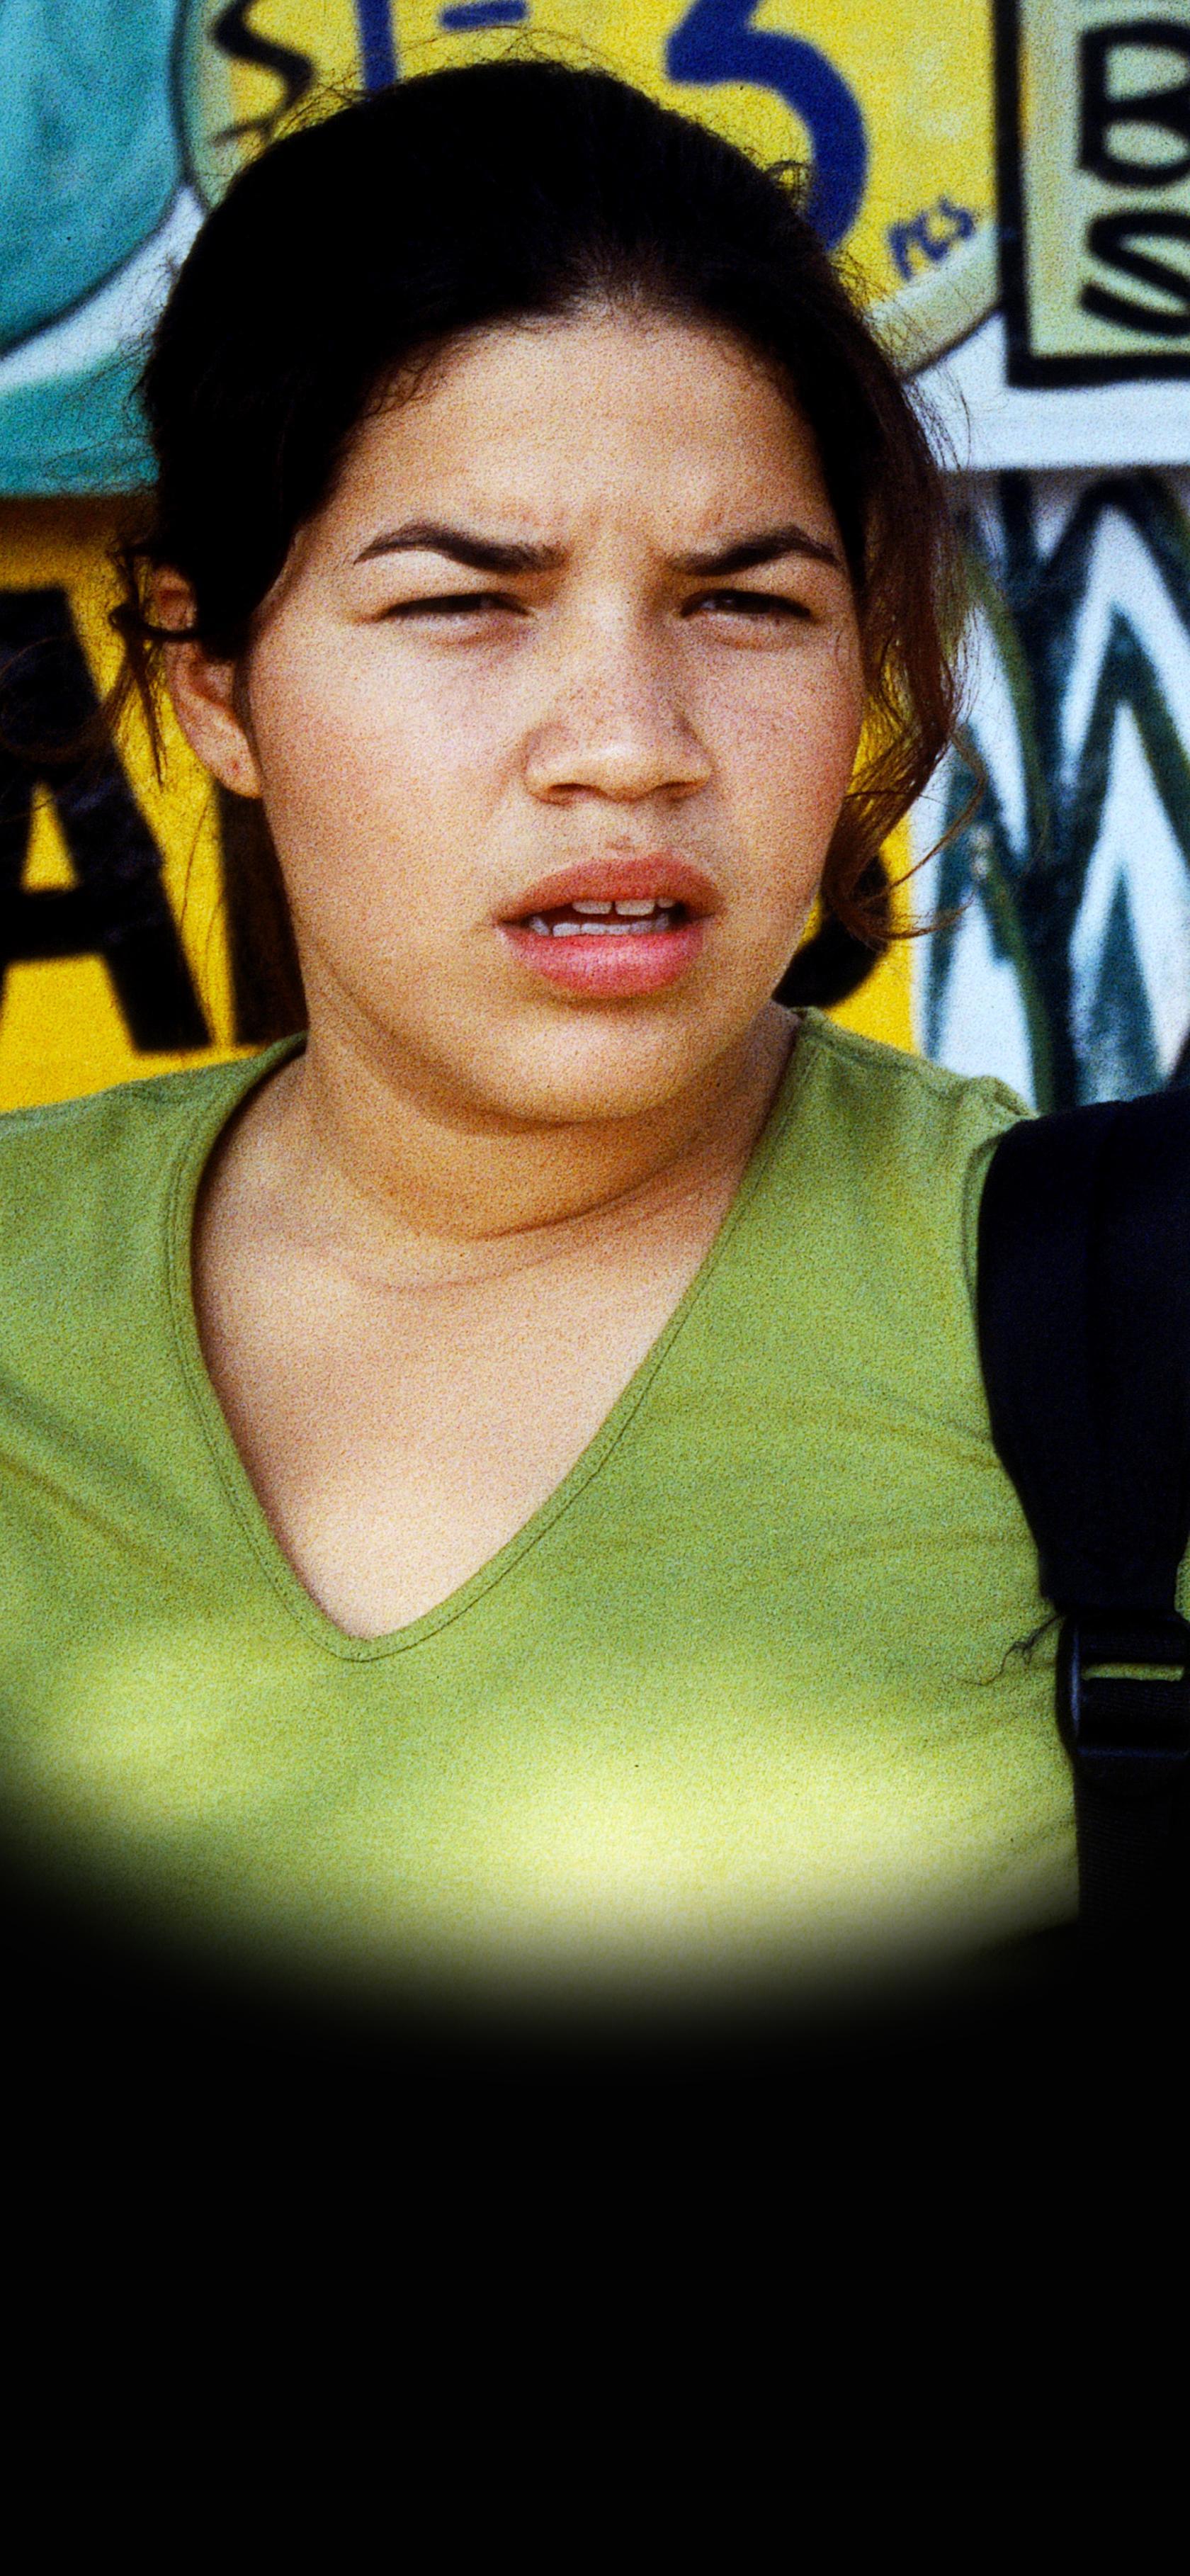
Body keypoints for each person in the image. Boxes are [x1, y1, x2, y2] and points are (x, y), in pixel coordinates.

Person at [0, 57, 1075, 2051]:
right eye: (463, 605)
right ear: (214, 677)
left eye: (744, 602)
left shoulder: (1101, 1327)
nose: (628, 744)